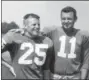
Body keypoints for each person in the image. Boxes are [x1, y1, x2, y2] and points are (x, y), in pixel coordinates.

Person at [2, 13, 53, 79]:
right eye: (34, 24)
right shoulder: (13, 36)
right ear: (25, 26)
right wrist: (8, 66)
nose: (37, 27)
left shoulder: (46, 41)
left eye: (38, 24)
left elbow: (46, 68)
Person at [44, 6, 89, 79]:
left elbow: (86, 61)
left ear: (75, 19)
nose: (66, 21)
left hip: (74, 76)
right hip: (55, 76)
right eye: (63, 19)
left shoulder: (83, 36)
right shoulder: (51, 32)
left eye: (69, 19)